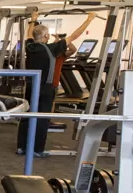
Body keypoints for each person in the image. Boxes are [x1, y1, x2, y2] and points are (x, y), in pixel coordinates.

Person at [17, 10, 96, 156]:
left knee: (27, 114)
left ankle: (22, 147)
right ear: (46, 36)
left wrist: (33, 19)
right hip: (45, 88)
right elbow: (74, 36)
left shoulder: (30, 47)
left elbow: (29, 34)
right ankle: (37, 150)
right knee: (42, 118)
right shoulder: (51, 48)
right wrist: (89, 19)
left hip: (31, 86)